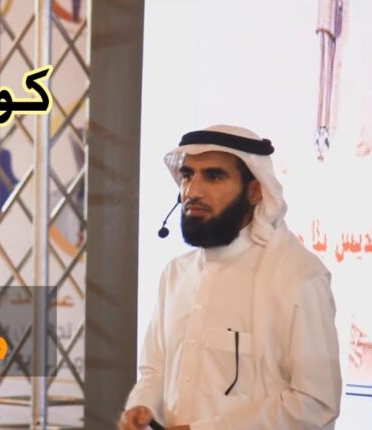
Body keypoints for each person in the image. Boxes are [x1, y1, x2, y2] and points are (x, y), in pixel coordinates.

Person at [118, 125, 342, 430]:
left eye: (214, 176)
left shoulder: (298, 277)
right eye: (188, 175)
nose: (192, 191)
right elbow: (155, 370)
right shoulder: (176, 274)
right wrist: (142, 406)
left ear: (255, 191)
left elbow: (315, 404)